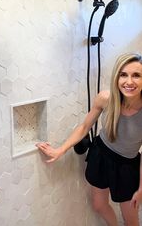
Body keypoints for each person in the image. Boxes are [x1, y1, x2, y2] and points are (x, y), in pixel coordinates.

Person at [36, 53, 142, 226]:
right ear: (116, 76)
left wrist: (141, 188)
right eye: (123, 74)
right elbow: (84, 127)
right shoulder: (106, 98)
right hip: (101, 154)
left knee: (131, 218)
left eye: (136, 75)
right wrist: (60, 150)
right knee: (99, 205)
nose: (128, 82)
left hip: (127, 166)